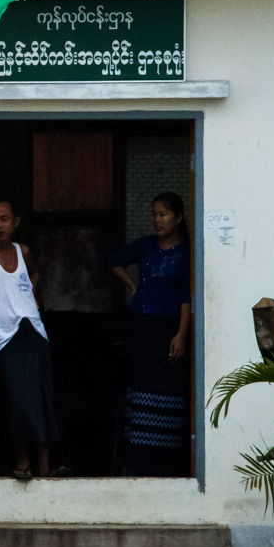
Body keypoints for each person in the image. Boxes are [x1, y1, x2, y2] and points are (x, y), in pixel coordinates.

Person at [0, 199, 61, 480]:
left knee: (43, 398)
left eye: (4, 219)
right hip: (6, 339)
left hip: (34, 331)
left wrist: (29, 297)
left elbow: (34, 272)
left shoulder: (23, 251)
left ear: (16, 222)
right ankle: (23, 460)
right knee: (19, 400)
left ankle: (44, 467)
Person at [107, 192, 193, 477]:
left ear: (178, 218)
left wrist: (182, 335)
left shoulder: (186, 252)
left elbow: (186, 297)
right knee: (141, 393)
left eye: (163, 214)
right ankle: (139, 461)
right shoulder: (145, 246)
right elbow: (114, 260)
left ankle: (167, 462)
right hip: (142, 328)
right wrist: (133, 286)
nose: (157, 220)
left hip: (169, 330)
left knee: (169, 392)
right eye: (154, 214)